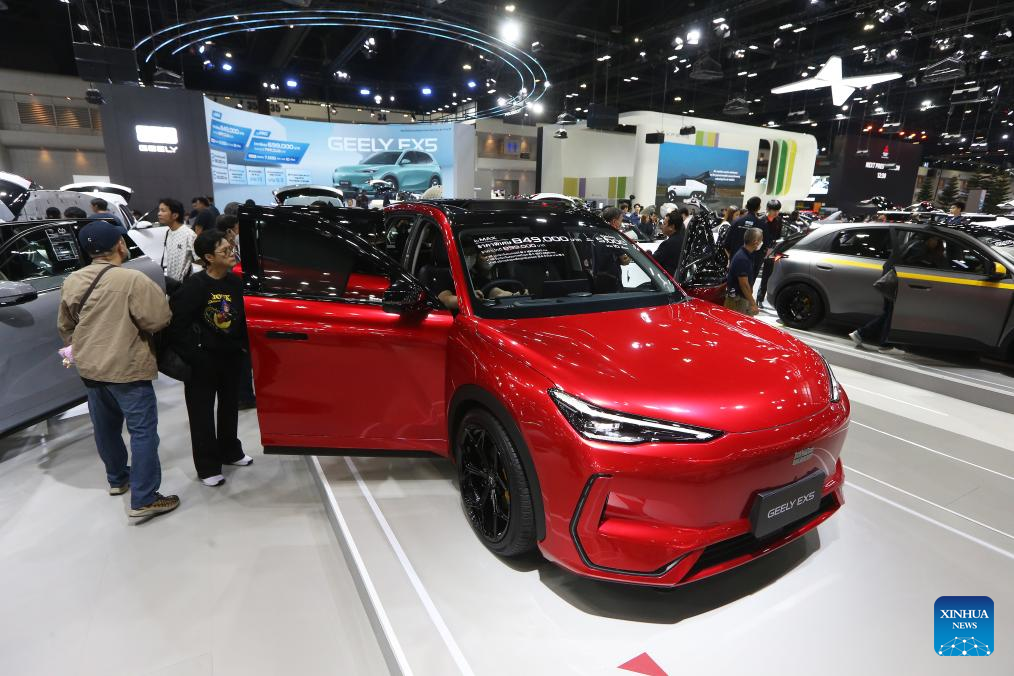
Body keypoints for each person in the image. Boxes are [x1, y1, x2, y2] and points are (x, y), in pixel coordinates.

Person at [57, 221, 178, 518]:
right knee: (143, 432)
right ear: (120, 245)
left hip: (90, 369)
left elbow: (65, 325)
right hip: (127, 368)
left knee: (105, 428)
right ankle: (145, 497)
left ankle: (117, 480)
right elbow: (158, 319)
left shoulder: (72, 281)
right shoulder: (132, 280)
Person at [169, 230, 253, 487]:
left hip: (231, 358)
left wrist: (241, 347)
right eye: (225, 251)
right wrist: (194, 355)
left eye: (231, 249)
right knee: (201, 414)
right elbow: (177, 327)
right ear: (208, 257)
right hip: (202, 362)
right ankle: (207, 466)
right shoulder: (194, 287)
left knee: (229, 407)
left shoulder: (236, 282)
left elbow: (243, 319)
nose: (231, 254)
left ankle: (230, 450)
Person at [724, 227, 763, 316]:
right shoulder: (742, 258)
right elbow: (744, 284)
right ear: (756, 242)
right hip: (737, 301)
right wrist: (753, 303)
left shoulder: (746, 255)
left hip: (740, 298)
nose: (761, 243)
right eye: (761, 240)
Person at [158, 197, 196, 284]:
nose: (159, 214)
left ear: (175, 215)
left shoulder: (189, 234)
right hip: (172, 283)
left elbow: (199, 260)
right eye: (159, 210)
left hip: (185, 284)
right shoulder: (168, 232)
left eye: (163, 211)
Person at [755, 199, 784, 307]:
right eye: (774, 210)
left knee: (767, 275)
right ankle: (748, 298)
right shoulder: (761, 220)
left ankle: (760, 298)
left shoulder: (779, 220)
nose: (776, 213)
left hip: (771, 250)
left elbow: (778, 236)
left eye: (777, 210)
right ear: (768, 209)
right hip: (759, 249)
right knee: (754, 272)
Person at [653, 210, 686, 277]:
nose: (662, 226)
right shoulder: (685, 240)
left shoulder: (667, 244)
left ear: (672, 227)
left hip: (666, 282)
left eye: (664, 224)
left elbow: (652, 261)